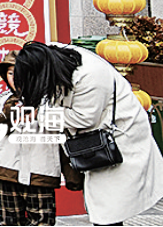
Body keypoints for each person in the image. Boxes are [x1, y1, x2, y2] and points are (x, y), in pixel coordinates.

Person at [13, 41, 163, 225]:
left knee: (109, 206)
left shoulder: (90, 76)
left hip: (118, 137)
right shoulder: (51, 57)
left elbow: (84, 118)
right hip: (93, 140)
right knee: (105, 203)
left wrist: (41, 115)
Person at [0, 49, 67, 226]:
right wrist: (10, 111)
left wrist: (39, 113)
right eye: (10, 73)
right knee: (9, 221)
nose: (15, 78)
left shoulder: (50, 99)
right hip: (8, 169)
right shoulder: (3, 99)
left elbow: (62, 124)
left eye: (21, 73)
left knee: (42, 221)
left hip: (40, 171)